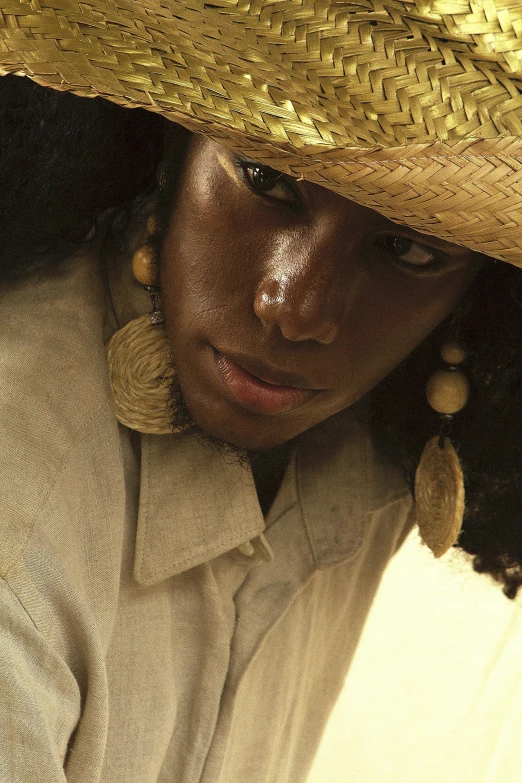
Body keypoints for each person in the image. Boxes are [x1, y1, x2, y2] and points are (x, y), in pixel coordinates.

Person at [0, 1, 521, 781]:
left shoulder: (376, 436)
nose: (296, 307)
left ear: (478, 299)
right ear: (172, 145)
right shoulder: (21, 538)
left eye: (408, 249)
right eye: (267, 177)